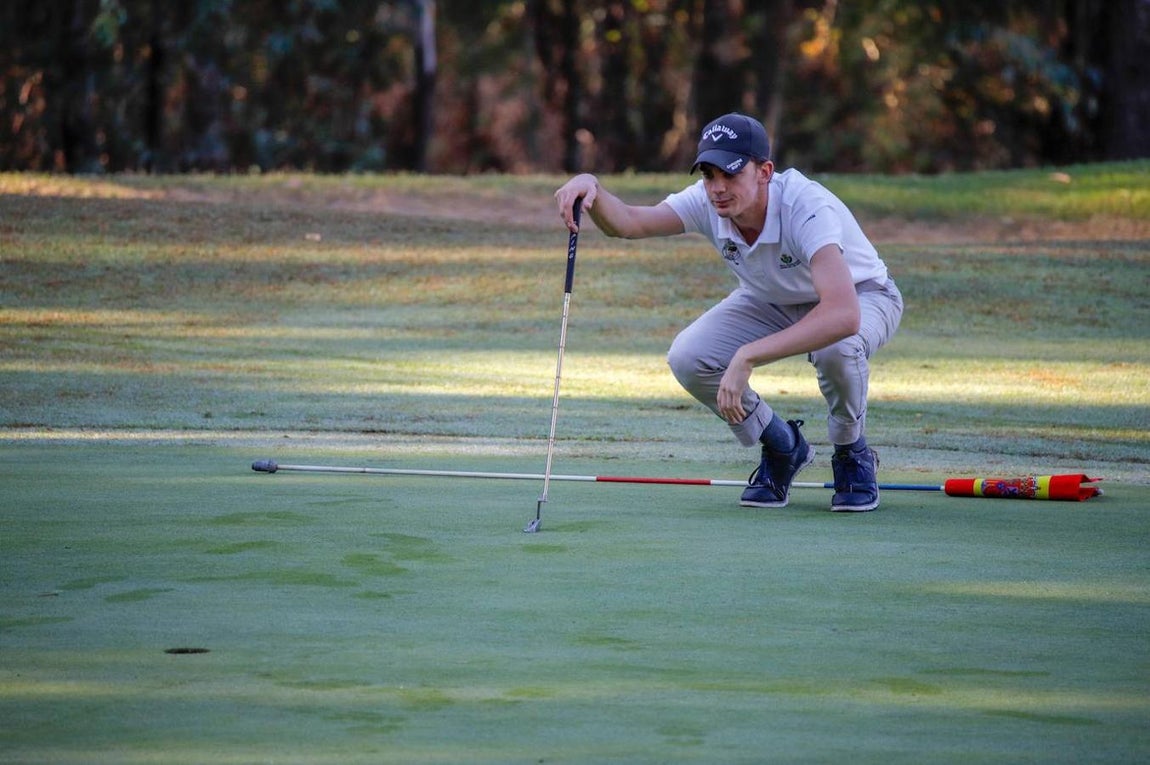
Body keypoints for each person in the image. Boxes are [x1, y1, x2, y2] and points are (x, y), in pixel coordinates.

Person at [553, 112, 903, 511]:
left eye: (730, 174)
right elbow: (630, 223)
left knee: (836, 347)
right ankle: (783, 446)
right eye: (708, 175)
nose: (717, 188)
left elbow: (842, 315)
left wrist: (747, 356)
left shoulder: (807, 206)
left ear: (765, 171)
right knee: (689, 357)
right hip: (769, 299)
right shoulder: (708, 201)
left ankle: (850, 451)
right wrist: (591, 186)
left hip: (864, 296)